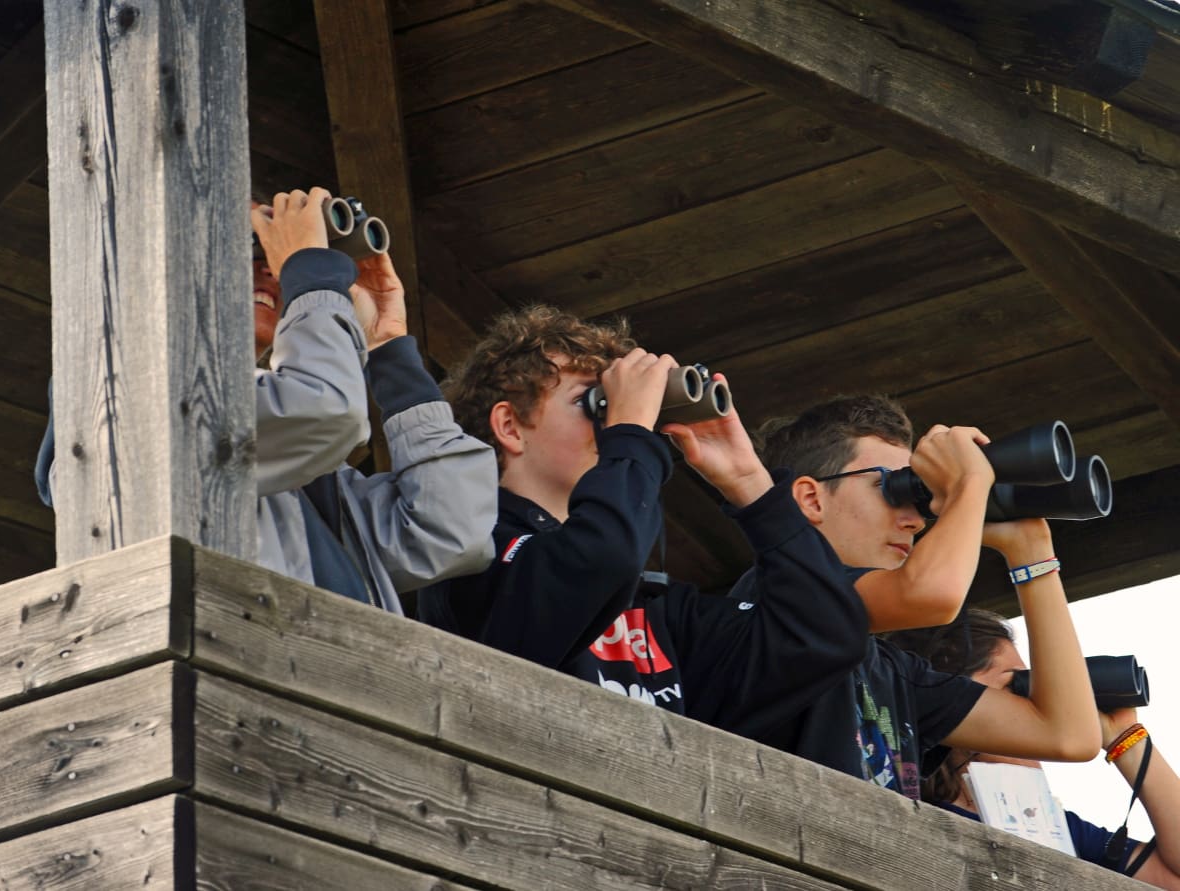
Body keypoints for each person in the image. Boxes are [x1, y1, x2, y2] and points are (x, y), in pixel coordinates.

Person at [418, 305, 869, 743]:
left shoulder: (657, 615)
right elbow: (595, 560)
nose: (614, 421)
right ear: (510, 426)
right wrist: (630, 430)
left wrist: (749, 483)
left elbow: (824, 635)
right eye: (592, 402)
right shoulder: (470, 556)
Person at [37, 187, 497, 611]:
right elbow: (325, 410)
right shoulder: (127, 396)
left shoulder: (297, 468)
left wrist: (388, 349)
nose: (272, 272)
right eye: (250, 246)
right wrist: (312, 274)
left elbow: (449, 534)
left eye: (274, 255)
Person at [739, 395, 1100, 799]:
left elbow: (1068, 734)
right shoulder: (776, 596)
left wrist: (1031, 549)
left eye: (917, 497)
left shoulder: (891, 672)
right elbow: (932, 596)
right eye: (888, 488)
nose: (914, 520)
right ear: (811, 499)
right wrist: (968, 483)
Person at [889, 609, 1180, 889]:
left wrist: (1124, 737)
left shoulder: (1047, 825)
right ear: (948, 695)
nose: (1038, 701)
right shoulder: (902, 805)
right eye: (1016, 684)